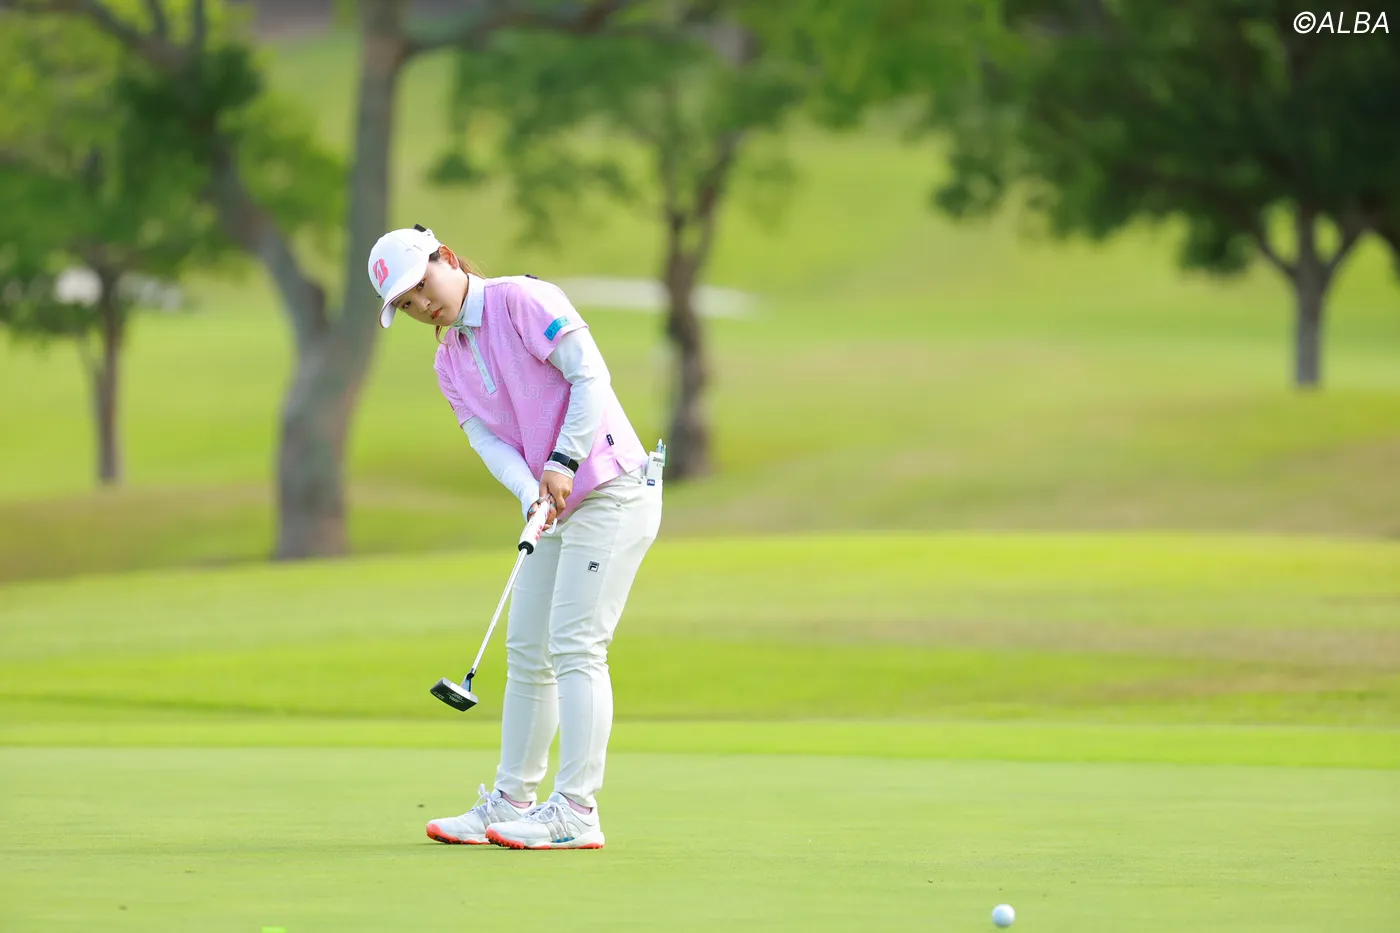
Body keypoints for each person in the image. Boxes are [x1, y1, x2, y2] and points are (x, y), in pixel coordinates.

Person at [368, 224, 663, 850]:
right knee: (528, 651)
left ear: (448, 258)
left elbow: (591, 376)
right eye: (407, 304)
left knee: (576, 645)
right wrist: (530, 491)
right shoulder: (448, 361)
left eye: (422, 286)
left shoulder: (523, 299)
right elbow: (487, 440)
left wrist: (562, 460)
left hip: (611, 488)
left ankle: (577, 811)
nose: (423, 305)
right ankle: (511, 800)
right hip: (551, 504)